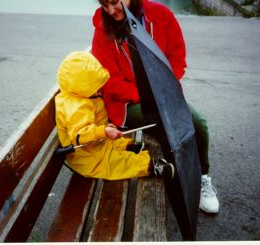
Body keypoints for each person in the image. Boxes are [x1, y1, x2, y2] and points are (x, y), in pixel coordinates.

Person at [91, 0, 219, 213]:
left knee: (198, 123)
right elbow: (108, 81)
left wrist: (165, 87)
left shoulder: (160, 14)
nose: (111, 11)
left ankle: (202, 176)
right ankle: (179, 178)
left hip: (163, 93)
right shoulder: (103, 29)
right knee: (166, 123)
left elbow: (177, 59)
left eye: (114, 2)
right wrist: (147, 95)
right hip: (126, 103)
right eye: (105, 5)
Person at [55, 51, 174, 180]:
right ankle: (150, 166)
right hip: (88, 157)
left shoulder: (78, 96)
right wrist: (103, 130)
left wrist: (104, 128)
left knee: (115, 142)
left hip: (95, 145)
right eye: (94, 87)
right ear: (81, 87)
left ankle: (128, 147)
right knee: (117, 163)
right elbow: (80, 135)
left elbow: (90, 124)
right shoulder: (77, 108)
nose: (99, 89)